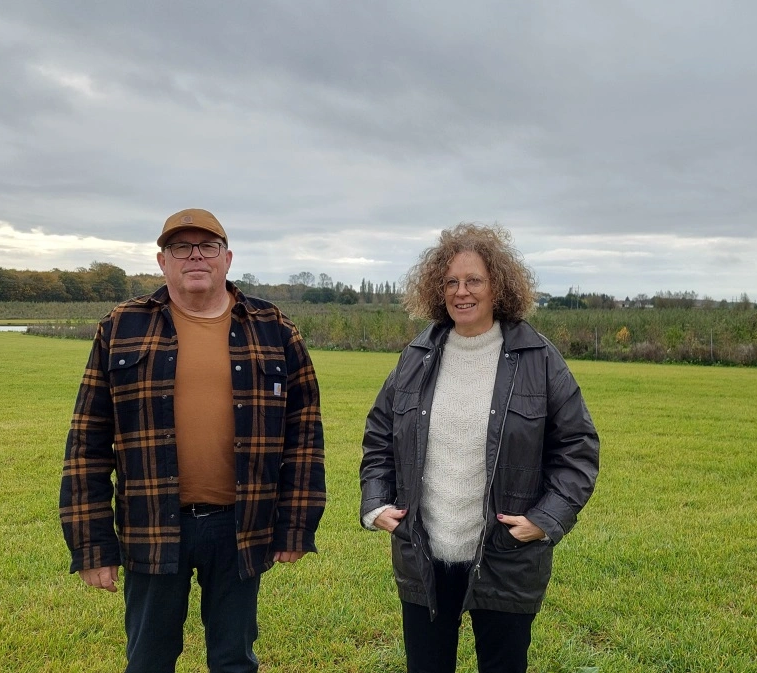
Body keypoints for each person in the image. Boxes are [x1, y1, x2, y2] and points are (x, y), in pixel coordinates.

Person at [60, 208, 326, 673]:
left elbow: (304, 434)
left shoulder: (273, 328)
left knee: (234, 660)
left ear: (227, 258)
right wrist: (91, 545)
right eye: (181, 247)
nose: (195, 256)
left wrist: (296, 524)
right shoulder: (122, 326)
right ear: (163, 261)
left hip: (240, 525)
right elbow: (88, 441)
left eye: (207, 246)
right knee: (148, 660)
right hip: (152, 524)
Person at [359, 223, 600, 673]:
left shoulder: (539, 359)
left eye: (474, 280)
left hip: (505, 555)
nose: (461, 292)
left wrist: (545, 520)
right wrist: (376, 503)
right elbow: (379, 434)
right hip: (425, 556)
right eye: (450, 281)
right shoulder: (417, 355)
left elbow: (577, 449)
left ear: (498, 288)